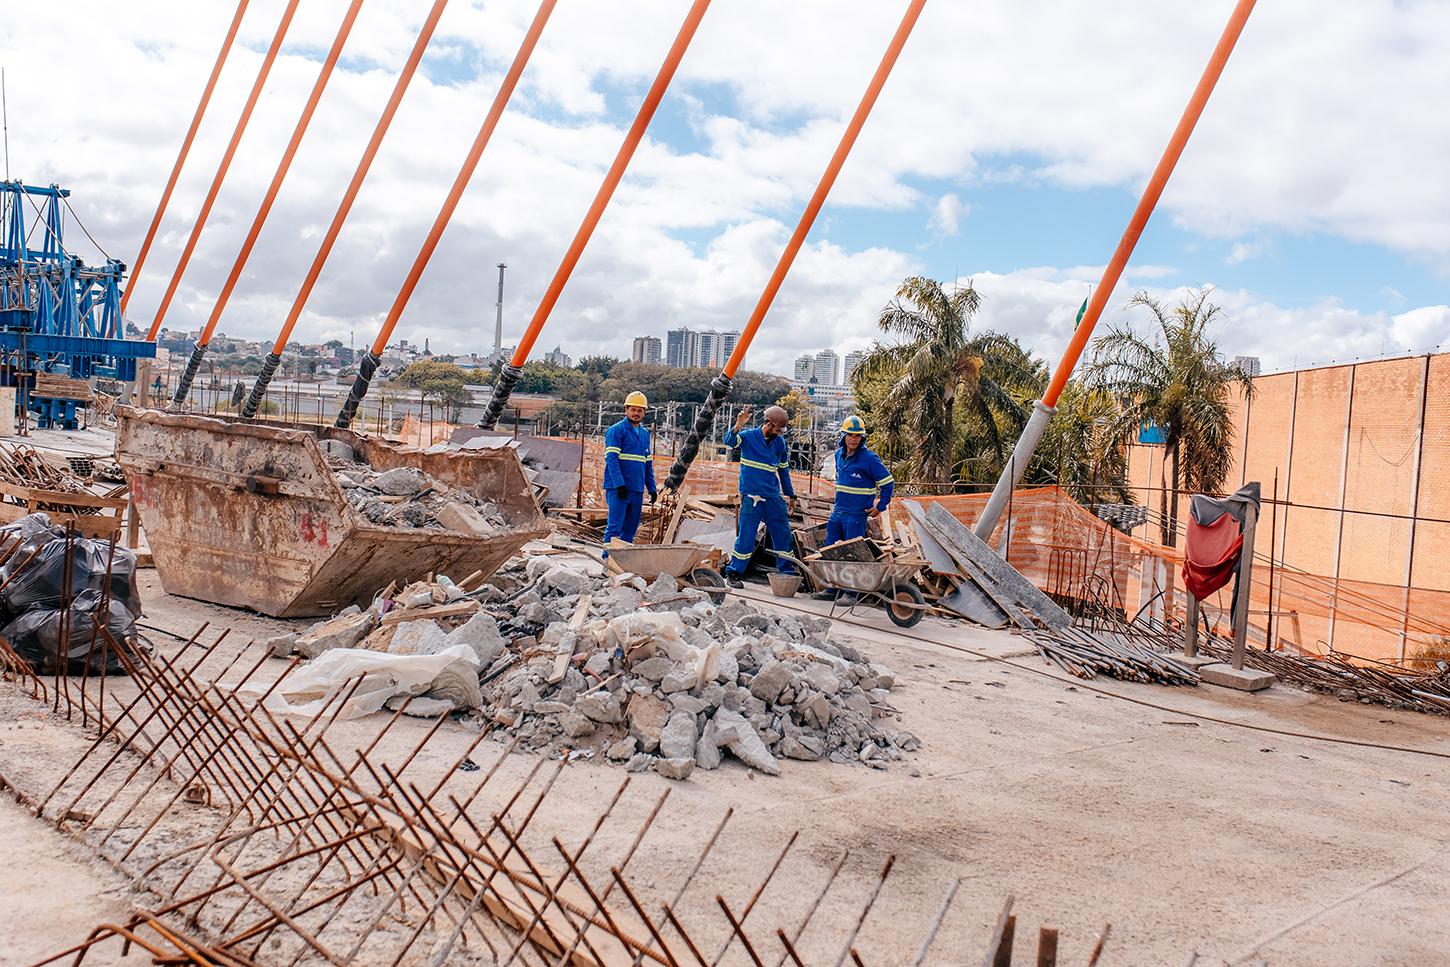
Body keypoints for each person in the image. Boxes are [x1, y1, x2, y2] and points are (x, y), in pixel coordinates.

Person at [815, 414, 894, 600]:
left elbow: (888, 483)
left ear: (862, 438)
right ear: (843, 436)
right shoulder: (838, 455)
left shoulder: (869, 459)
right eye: (850, 435)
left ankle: (851, 593)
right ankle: (832, 589)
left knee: (852, 554)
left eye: (857, 436)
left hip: (856, 515)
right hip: (838, 513)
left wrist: (880, 506)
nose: (853, 439)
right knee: (831, 551)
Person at [721, 404, 797, 588]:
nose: (780, 432)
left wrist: (790, 495)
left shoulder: (779, 443)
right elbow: (729, 441)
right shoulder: (748, 437)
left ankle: (786, 573)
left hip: (772, 496)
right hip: (751, 496)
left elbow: (783, 471)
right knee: (746, 536)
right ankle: (734, 572)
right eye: (777, 429)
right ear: (768, 423)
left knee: (782, 534)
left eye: (781, 430)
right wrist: (738, 425)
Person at [601, 391, 656, 557]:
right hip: (619, 489)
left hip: (637, 489)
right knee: (615, 526)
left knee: (631, 528)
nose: (636, 413)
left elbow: (647, 464)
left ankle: (622, 561)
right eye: (633, 409)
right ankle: (607, 561)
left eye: (640, 410)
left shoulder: (645, 434)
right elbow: (612, 459)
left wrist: (651, 488)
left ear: (644, 413)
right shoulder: (616, 431)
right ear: (626, 410)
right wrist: (619, 484)